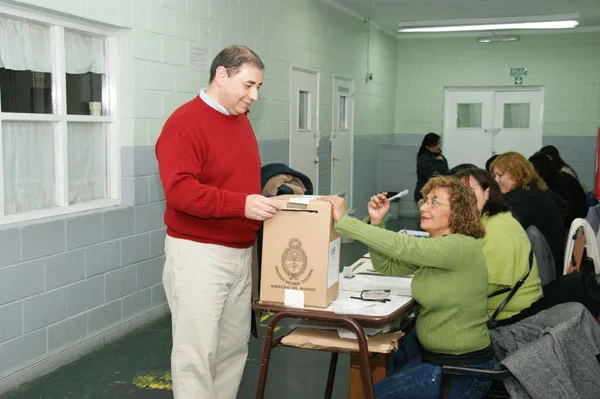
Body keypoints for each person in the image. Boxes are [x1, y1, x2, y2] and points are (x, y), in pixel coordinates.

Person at [155, 45, 281, 399]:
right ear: (221, 75)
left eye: (258, 88)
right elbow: (180, 191)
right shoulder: (184, 123)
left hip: (239, 253)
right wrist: (242, 205)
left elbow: (234, 179)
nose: (254, 96)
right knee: (196, 355)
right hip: (199, 254)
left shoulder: (239, 119)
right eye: (248, 85)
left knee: (232, 349)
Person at [321, 176, 493, 399]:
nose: (424, 207)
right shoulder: (439, 247)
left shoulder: (460, 246)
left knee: (375, 394)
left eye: (435, 202)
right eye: (425, 201)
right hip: (439, 361)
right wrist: (376, 222)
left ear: (457, 212)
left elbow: (404, 247)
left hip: (461, 372)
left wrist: (345, 221)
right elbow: (387, 265)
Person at [454, 168, 543, 322]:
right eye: (456, 192)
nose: (461, 197)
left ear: (487, 193)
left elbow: (485, 284)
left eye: (468, 190)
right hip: (493, 311)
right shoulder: (483, 222)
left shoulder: (499, 227)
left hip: (509, 318)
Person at [490, 152, 565, 279]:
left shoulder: (523, 198)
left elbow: (503, 229)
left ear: (516, 174)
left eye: (500, 175)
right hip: (547, 260)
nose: (496, 181)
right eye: (494, 175)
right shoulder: (532, 191)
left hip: (544, 267)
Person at [413, 132, 449, 202]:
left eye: (439, 143)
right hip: (425, 194)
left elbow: (446, 173)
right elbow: (433, 175)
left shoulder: (439, 156)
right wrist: (439, 162)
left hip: (436, 193)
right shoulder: (423, 159)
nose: (438, 146)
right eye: (435, 144)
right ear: (427, 146)